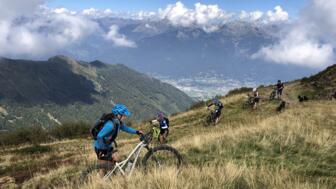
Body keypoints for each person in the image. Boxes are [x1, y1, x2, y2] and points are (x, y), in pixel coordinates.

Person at [93, 104, 143, 177]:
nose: (125, 117)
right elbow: (99, 136)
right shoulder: (111, 125)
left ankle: (114, 175)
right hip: (100, 147)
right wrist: (102, 150)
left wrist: (136, 132)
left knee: (115, 159)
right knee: (103, 167)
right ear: (118, 115)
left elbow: (126, 128)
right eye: (124, 115)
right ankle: (100, 182)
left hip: (107, 146)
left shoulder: (117, 122)